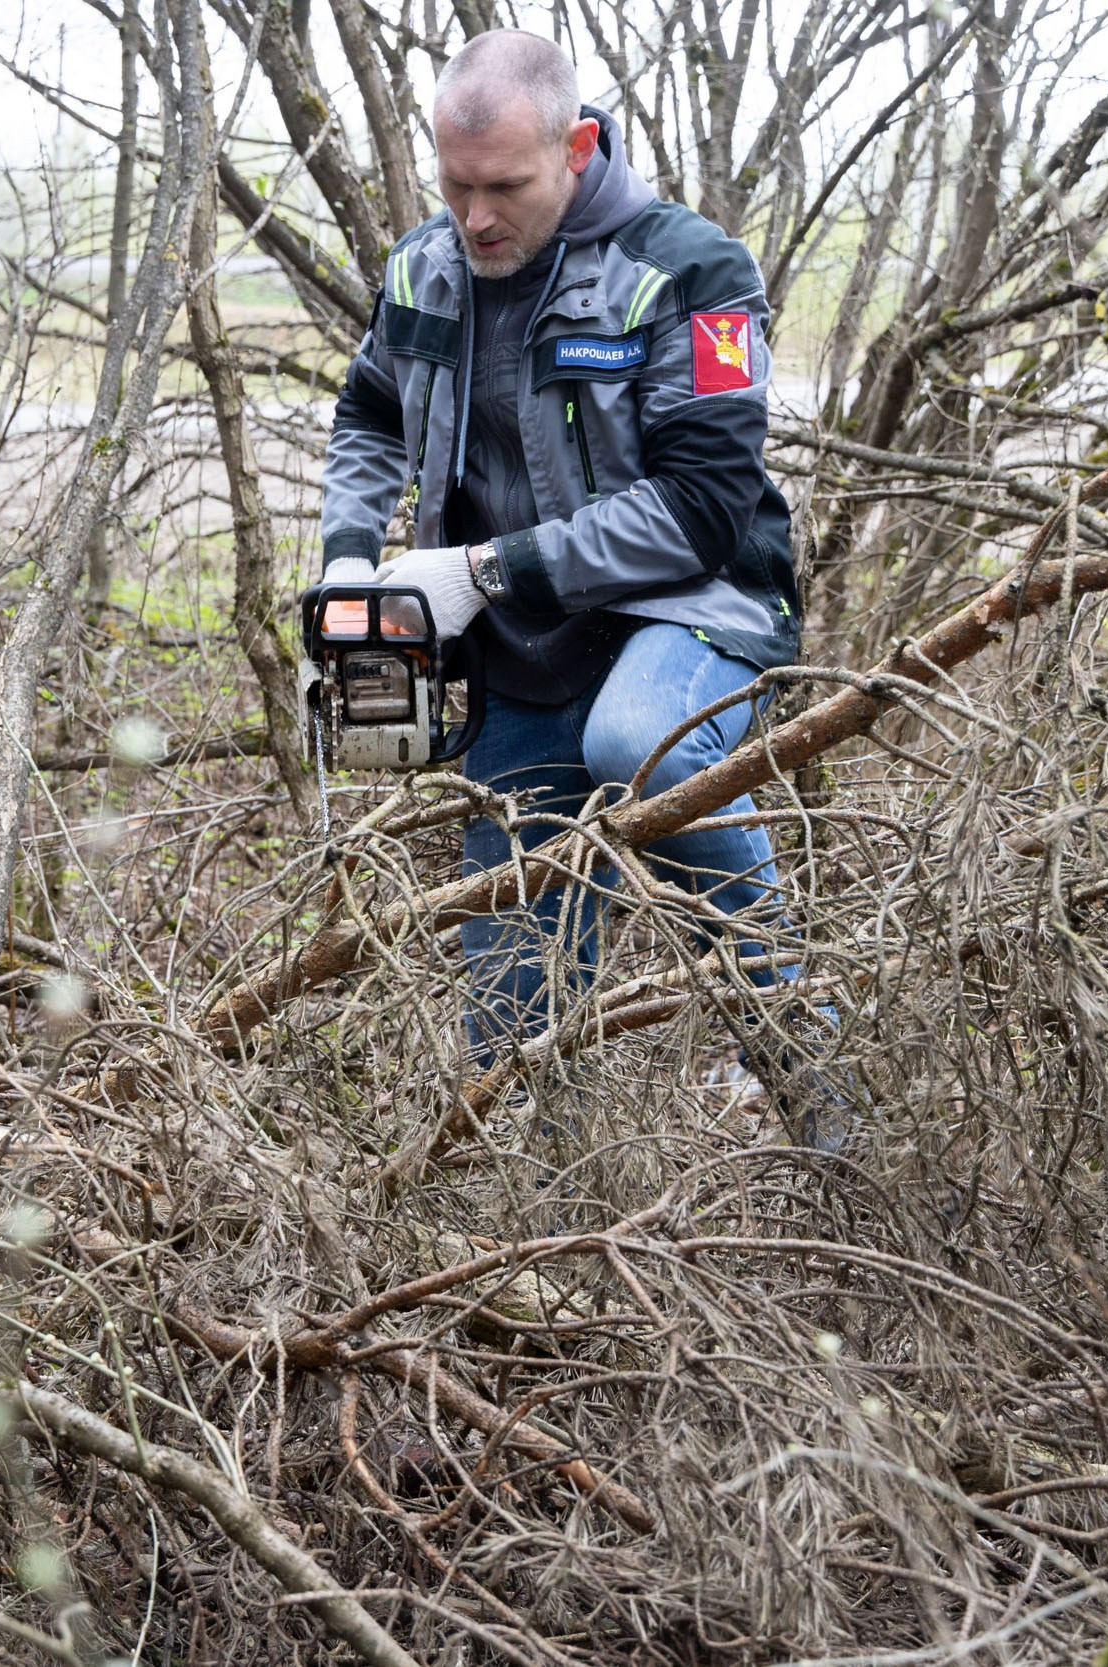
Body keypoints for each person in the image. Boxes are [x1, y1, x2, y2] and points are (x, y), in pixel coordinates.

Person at [318, 31, 837, 1141]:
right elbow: (368, 412)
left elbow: (703, 503)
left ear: (578, 146)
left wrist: (487, 568)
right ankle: (542, 1234)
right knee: (510, 1003)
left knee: (635, 743)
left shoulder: (694, 272)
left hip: (688, 614)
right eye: (454, 187)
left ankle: (820, 1079)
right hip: (520, 649)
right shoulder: (423, 269)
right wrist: (348, 556)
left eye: (503, 187)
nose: (476, 218)